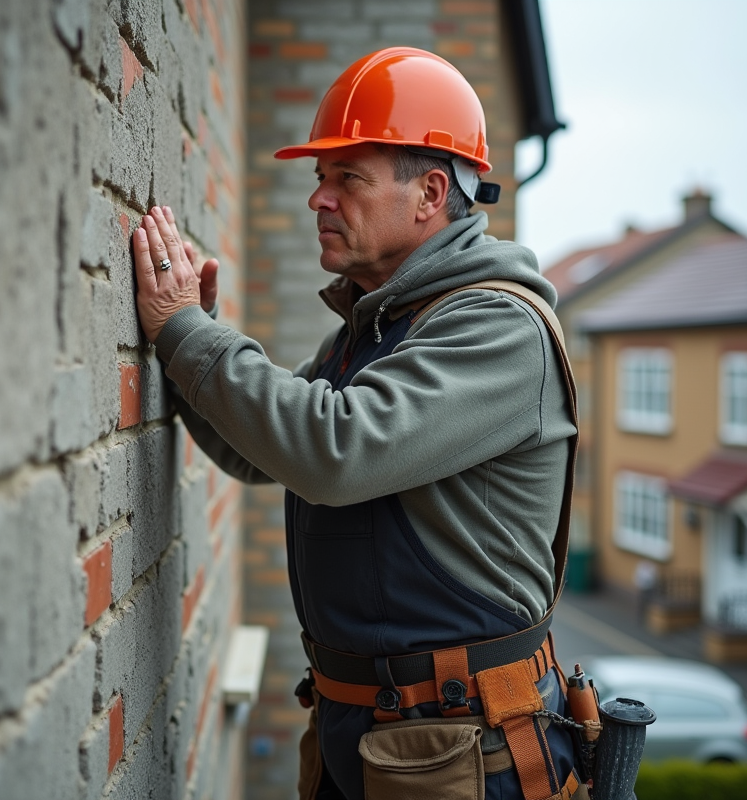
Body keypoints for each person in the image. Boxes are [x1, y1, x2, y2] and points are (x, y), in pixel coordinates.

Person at [133, 48, 583, 800]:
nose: (320, 199)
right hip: (379, 736)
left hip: (464, 752)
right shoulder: (376, 326)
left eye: (350, 178)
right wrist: (186, 347)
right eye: (319, 178)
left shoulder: (496, 327)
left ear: (430, 193)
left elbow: (331, 452)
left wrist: (187, 334)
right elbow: (264, 455)